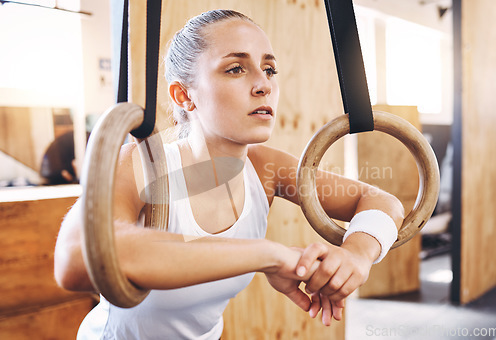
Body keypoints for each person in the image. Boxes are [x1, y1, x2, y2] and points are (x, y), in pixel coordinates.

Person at [54, 9, 404, 339]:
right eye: (236, 69)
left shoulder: (264, 167)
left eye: (269, 70)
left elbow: (379, 201)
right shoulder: (143, 162)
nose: (263, 85)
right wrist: (269, 255)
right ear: (184, 95)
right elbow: (74, 259)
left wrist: (357, 253)